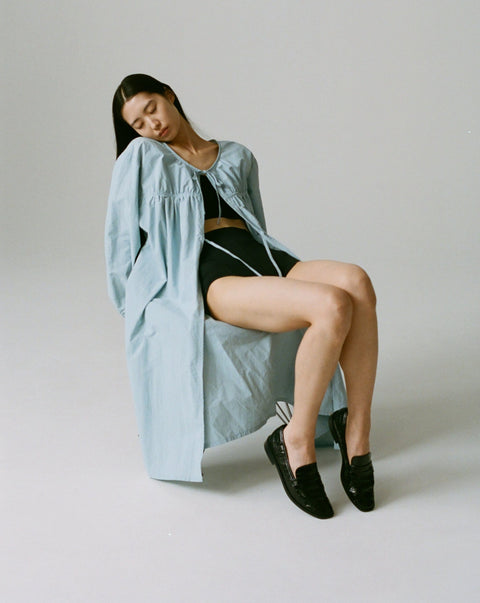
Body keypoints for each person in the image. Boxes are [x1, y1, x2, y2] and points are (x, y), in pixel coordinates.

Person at [106, 73, 378, 519]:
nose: (151, 125)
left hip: (263, 257)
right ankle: (295, 440)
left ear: (169, 95)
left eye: (151, 108)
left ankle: (358, 433)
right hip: (211, 274)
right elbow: (120, 240)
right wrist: (135, 307)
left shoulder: (237, 155)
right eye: (138, 123)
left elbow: (257, 225)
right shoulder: (143, 157)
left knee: (357, 282)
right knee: (331, 305)